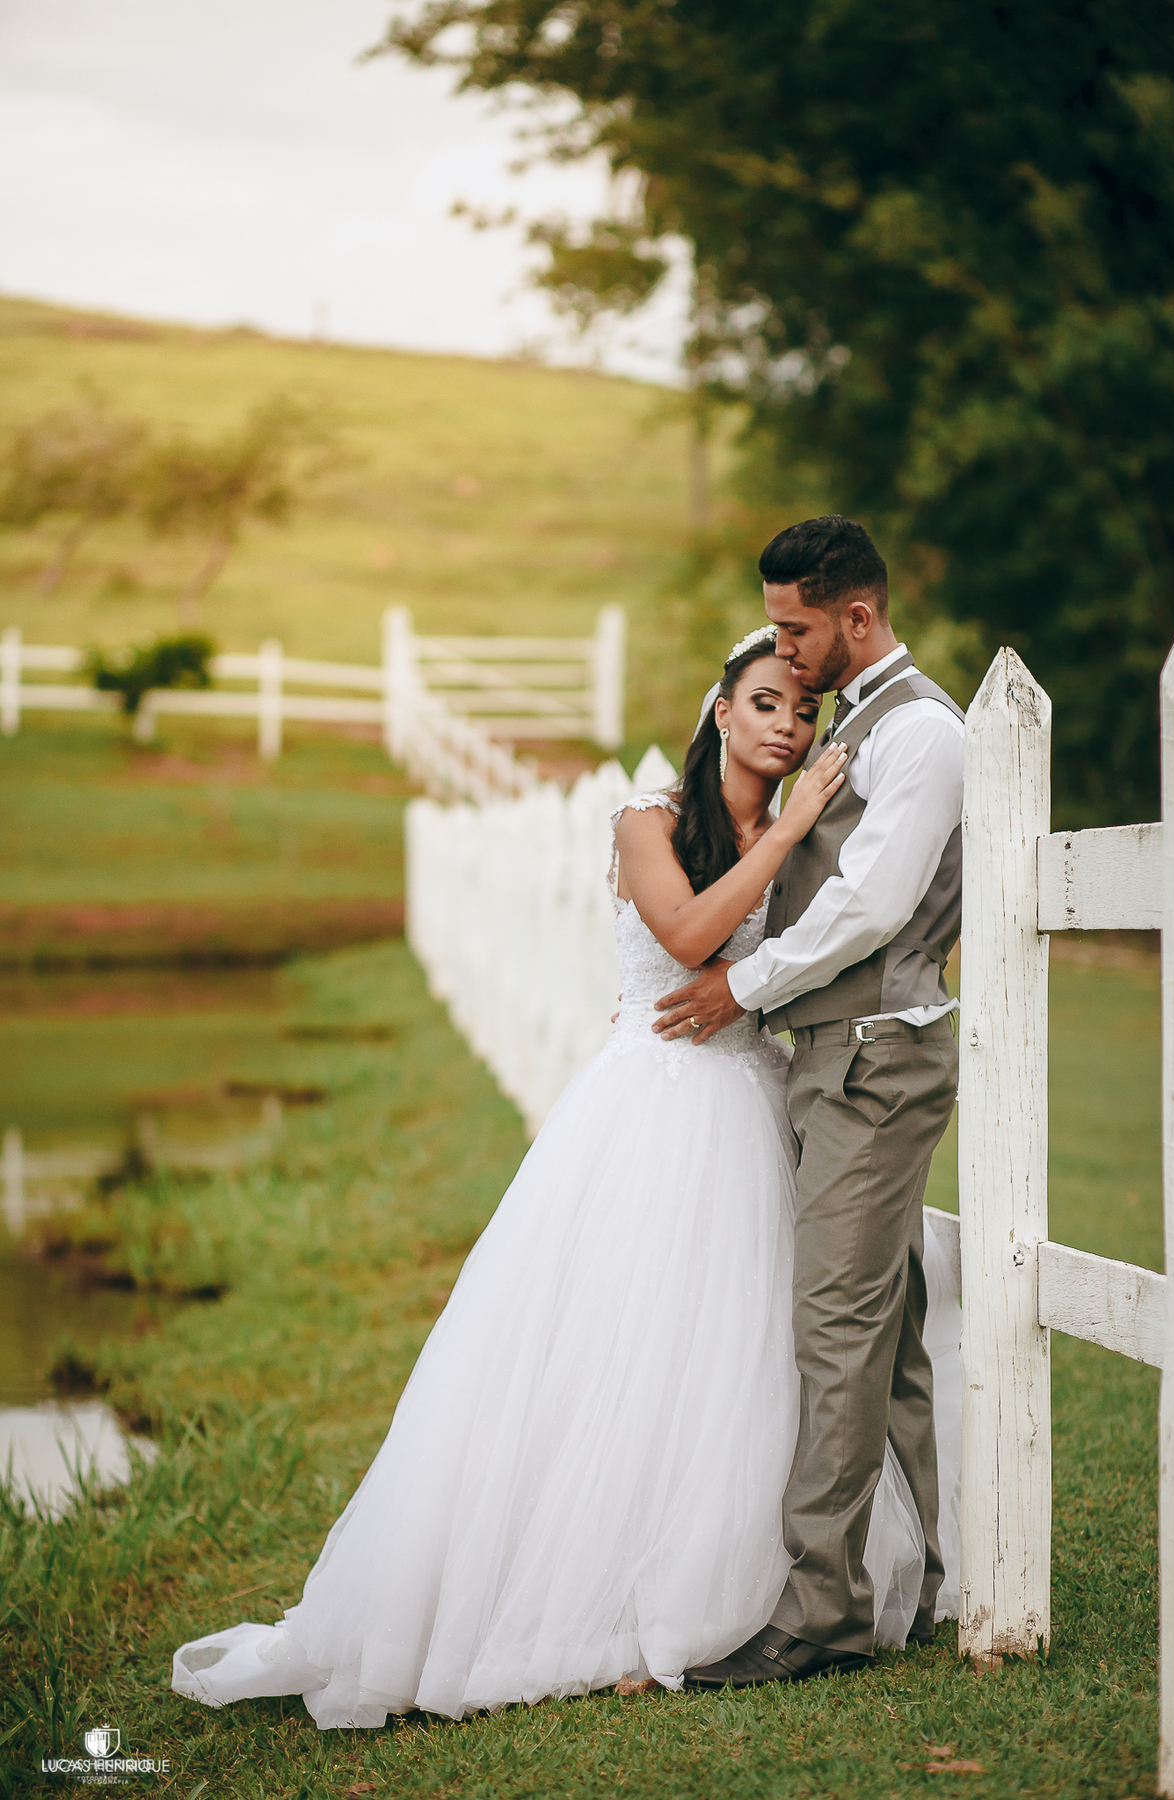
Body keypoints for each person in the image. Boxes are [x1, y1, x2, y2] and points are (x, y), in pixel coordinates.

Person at [171, 629, 959, 1728]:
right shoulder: (646, 818)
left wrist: (801, 849)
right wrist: (784, 836)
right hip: (650, 1107)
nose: (787, 726)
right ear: (719, 712)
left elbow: (831, 933)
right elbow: (688, 934)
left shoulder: (807, 827)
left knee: (746, 1348)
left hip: (754, 1098)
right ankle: (576, 1586)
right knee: (617, 1341)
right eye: (765, 704)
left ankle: (764, 1580)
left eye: (801, 711)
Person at [654, 516, 965, 1691]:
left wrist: (743, 983)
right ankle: (936, 1571)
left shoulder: (922, 734)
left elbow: (870, 909)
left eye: (795, 626)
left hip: (877, 1057)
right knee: (876, 1336)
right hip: (831, 1058)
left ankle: (820, 1611)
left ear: (857, 615)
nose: (782, 648)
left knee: (836, 1328)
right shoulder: (856, 725)